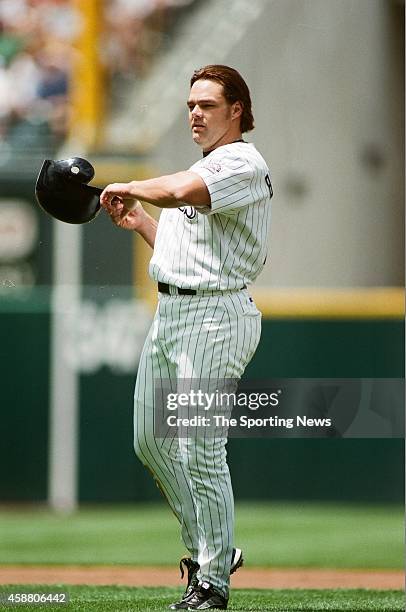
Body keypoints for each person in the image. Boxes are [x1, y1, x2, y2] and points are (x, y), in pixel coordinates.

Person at [100, 64, 273, 610]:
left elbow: (177, 191)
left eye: (207, 105)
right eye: (191, 105)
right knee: (150, 441)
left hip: (216, 319)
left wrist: (129, 183)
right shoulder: (206, 167)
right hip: (174, 314)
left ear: (236, 111)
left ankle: (213, 579)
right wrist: (143, 225)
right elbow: (187, 255)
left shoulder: (242, 162)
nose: (195, 113)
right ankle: (212, 551)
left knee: (200, 449)